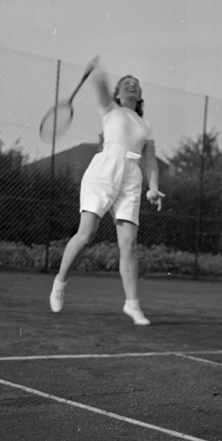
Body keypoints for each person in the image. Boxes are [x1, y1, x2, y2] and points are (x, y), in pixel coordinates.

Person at [49, 58, 165, 325]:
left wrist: (154, 188)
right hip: (103, 172)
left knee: (129, 245)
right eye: (126, 84)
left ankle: (132, 305)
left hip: (132, 178)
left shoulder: (145, 125)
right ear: (117, 93)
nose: (131, 86)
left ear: (140, 94)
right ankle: (59, 283)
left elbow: (150, 161)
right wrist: (98, 72)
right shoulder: (110, 109)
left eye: (135, 85)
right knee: (86, 234)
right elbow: (100, 85)